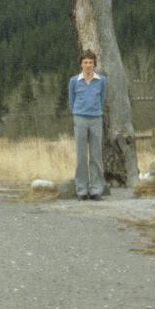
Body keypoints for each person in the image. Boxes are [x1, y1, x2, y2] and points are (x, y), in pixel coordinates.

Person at [68, 48, 106, 201]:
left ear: (94, 64)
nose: (88, 65)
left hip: (96, 119)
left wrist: (96, 111)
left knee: (96, 156)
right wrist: (77, 113)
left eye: (90, 62)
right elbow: (71, 101)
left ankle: (96, 190)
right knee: (81, 155)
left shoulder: (101, 80)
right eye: (85, 62)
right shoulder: (74, 81)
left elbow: (102, 99)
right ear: (81, 64)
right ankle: (82, 190)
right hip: (80, 119)